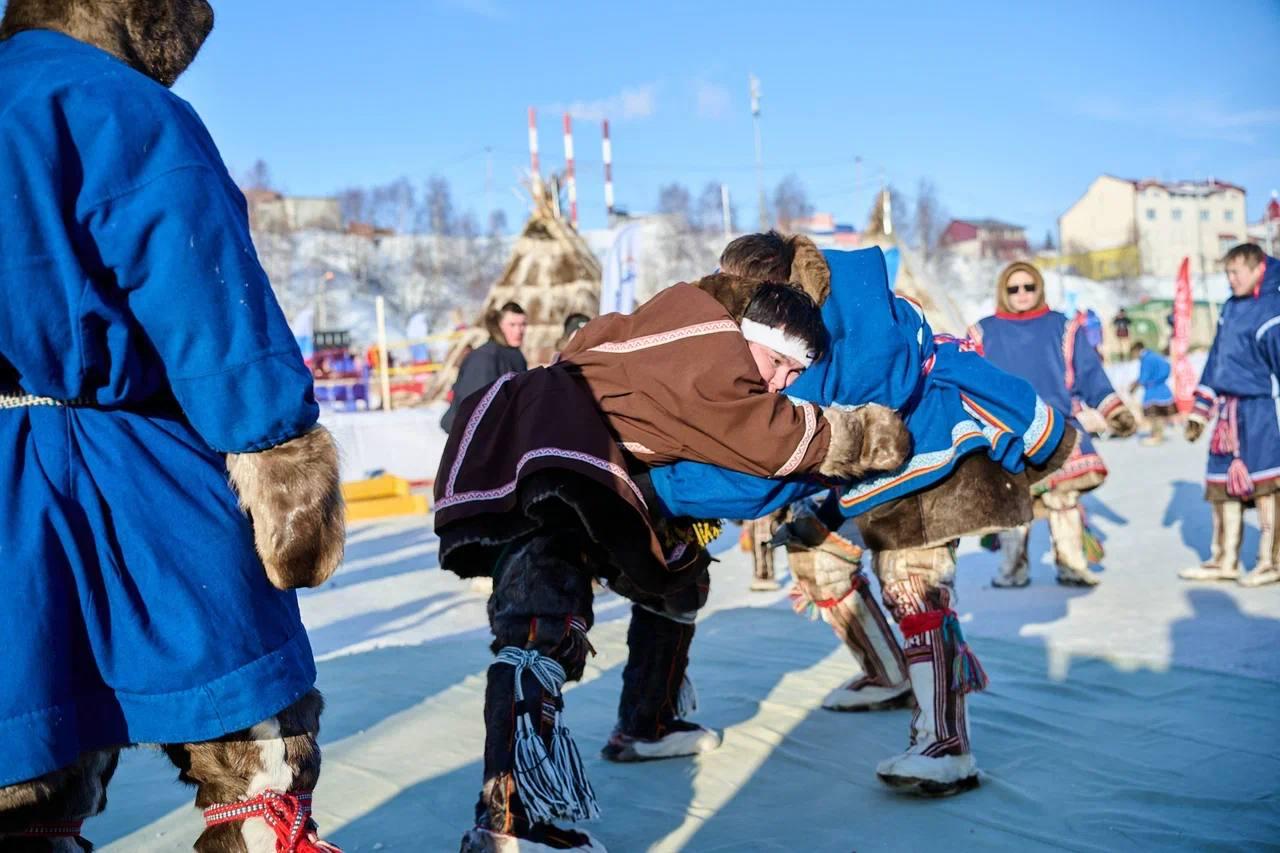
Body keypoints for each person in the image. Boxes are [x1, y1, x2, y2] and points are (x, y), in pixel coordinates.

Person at [0, 4, 347, 851]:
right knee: (252, 734)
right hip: (129, 469)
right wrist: (283, 460)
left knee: (24, 760)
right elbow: (209, 306)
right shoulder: (113, 104)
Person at [435, 259, 910, 851]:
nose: (784, 381)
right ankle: (509, 819)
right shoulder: (712, 346)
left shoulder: (670, 320)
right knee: (541, 629)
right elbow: (772, 437)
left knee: (677, 578)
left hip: (554, 458)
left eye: (796, 372)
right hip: (550, 472)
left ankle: (647, 721)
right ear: (753, 331)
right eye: (781, 364)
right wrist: (863, 435)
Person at [650, 244, 1080, 797]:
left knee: (914, 583)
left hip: (931, 464)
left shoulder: (812, 346)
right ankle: (888, 671)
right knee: (814, 552)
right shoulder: (822, 312)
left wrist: (665, 489)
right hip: (864, 473)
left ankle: (946, 743)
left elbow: (766, 474)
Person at [973, 261, 1136, 588]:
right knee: (1013, 504)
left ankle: (1071, 564)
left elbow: (1090, 373)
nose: (1021, 294)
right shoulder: (982, 332)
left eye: (1029, 287)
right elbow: (969, 382)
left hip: (1058, 426)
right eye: (1013, 288)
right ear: (1003, 292)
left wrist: (1114, 409)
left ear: (1040, 289)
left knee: (1063, 500)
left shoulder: (1063, 327)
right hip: (1007, 432)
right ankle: (1012, 570)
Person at [1181, 244, 1280, 588]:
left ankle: (1271, 560)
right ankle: (1225, 558)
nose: (1230, 278)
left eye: (1236, 271)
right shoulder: (1230, 308)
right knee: (1220, 485)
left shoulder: (1272, 309)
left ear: (1258, 270)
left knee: (1267, 485)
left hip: (1261, 409)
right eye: (1227, 272)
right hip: (1227, 414)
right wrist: (1200, 410)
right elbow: (1215, 361)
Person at [440, 301, 529, 433]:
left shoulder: (516, 355)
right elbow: (475, 407)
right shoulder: (484, 358)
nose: (518, 331)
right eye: (512, 325)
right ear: (499, 325)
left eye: (522, 325)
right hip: (475, 436)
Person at [1130, 341, 1175, 446]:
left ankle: (1156, 435)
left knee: (1154, 414)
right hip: (1162, 389)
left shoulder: (1146, 359)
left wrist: (1134, 387)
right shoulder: (1154, 356)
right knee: (1159, 414)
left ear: (1137, 350)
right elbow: (1167, 367)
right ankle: (1158, 434)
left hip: (1154, 392)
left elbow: (1143, 377)